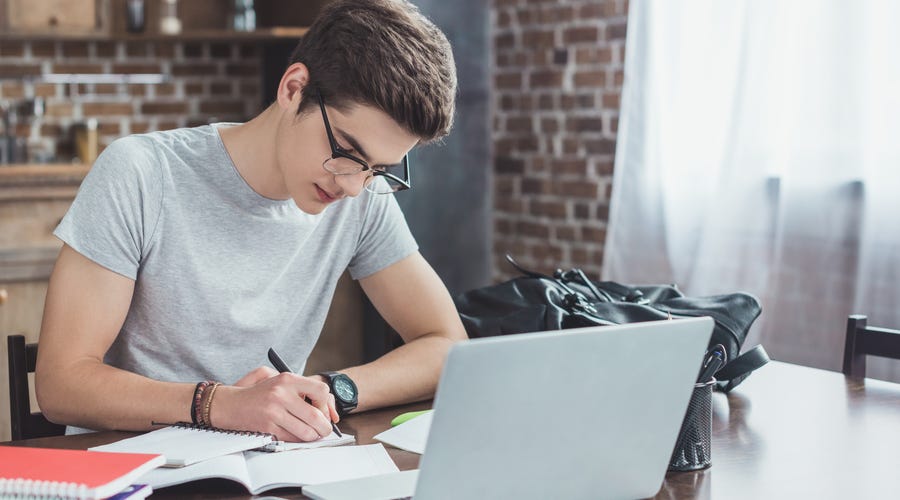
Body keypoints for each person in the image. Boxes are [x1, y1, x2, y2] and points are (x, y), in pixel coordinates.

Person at [35, 0, 467, 442]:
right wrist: (222, 405)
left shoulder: (361, 196)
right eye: (346, 152)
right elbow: (61, 384)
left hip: (263, 471)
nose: (353, 186)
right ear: (294, 88)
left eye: (377, 169)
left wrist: (331, 389)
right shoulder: (142, 173)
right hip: (128, 469)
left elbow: (444, 341)